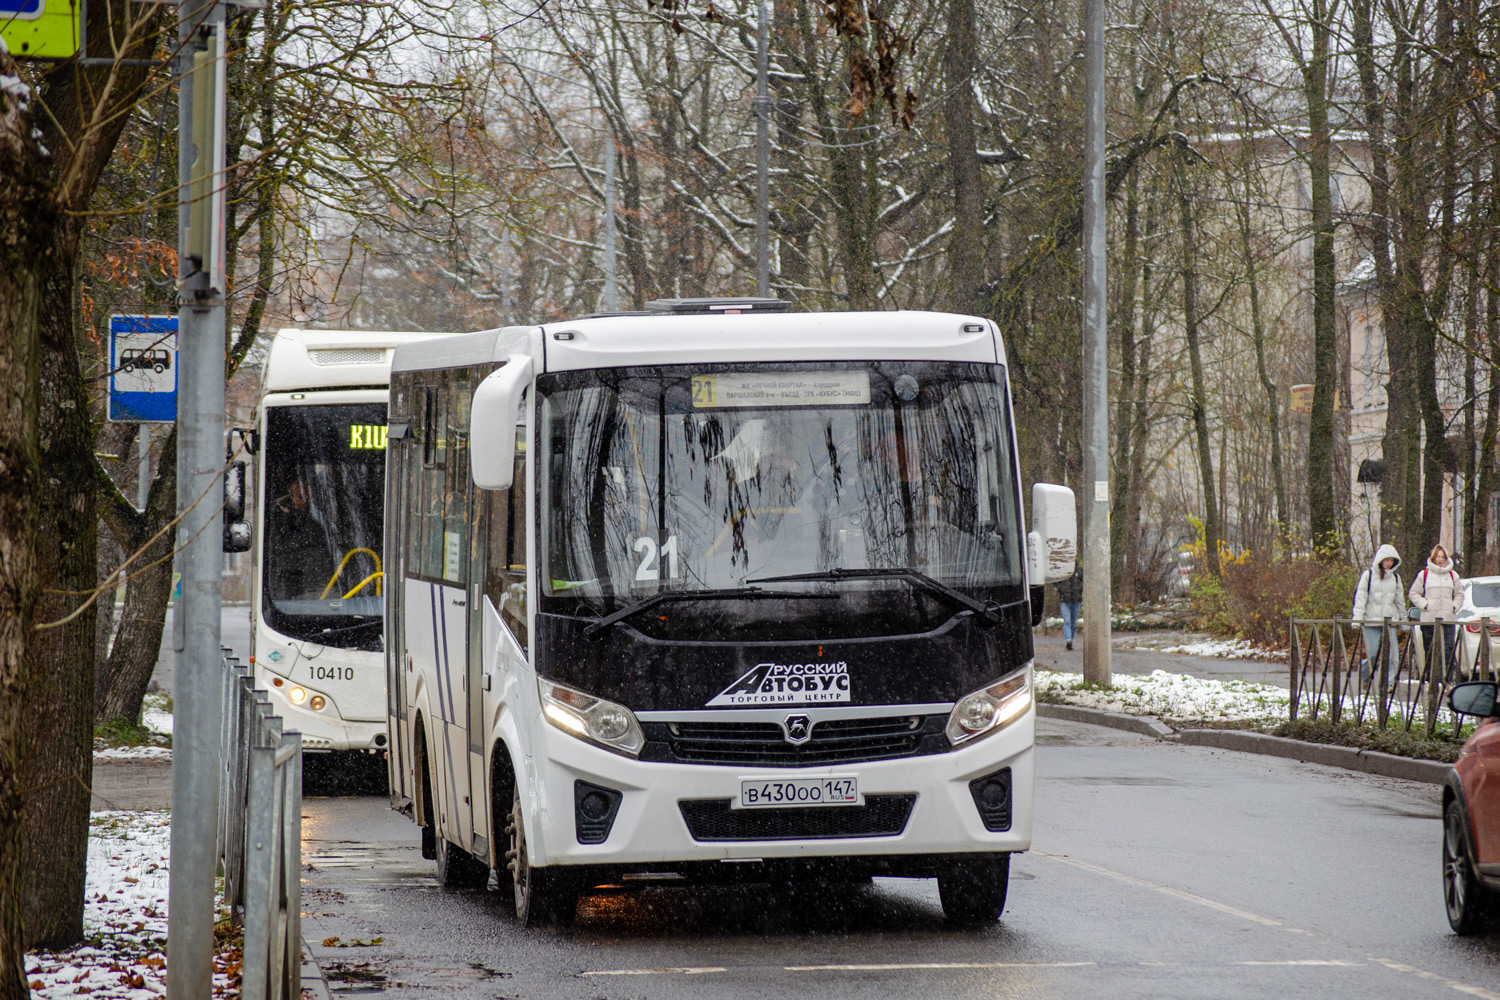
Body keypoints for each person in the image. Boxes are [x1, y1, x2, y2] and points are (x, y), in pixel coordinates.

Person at [1352, 543, 1403, 686]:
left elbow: (1400, 601)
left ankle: (1389, 683)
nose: (1389, 563)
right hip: (1371, 621)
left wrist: (1403, 621)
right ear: (1380, 559)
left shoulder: (1396, 578)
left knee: (1393, 656)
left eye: (1392, 560)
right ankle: (1365, 678)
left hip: (1390, 621)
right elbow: (1361, 598)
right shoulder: (1368, 575)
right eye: (1387, 560)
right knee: (1371, 655)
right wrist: (1357, 619)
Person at [1409, 543, 1462, 679]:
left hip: (1448, 619)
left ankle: (1448, 680)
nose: (1440, 559)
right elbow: (1414, 593)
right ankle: (1430, 680)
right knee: (1430, 651)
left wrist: (1454, 606)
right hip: (1429, 620)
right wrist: (1425, 605)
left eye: (1443, 557)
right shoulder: (1424, 575)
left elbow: (1459, 594)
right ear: (1433, 558)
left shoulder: (1452, 575)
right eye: (1438, 556)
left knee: (1448, 650)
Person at [1055, 564, 1083, 651]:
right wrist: (1060, 589)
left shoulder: (1079, 570)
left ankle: (1071, 639)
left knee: (1073, 621)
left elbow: (1084, 581)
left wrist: (1079, 589)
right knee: (1067, 620)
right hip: (1064, 599)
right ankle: (1068, 640)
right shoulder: (1062, 570)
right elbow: (1055, 581)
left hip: (1076, 599)